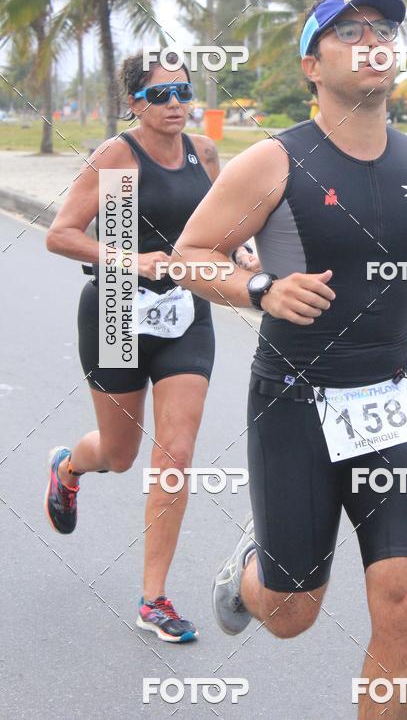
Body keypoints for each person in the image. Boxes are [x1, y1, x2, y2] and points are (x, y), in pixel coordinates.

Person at [172, 0, 407, 714]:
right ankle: (252, 572)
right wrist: (261, 289)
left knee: (404, 598)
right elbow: (191, 254)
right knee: (291, 612)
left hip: (389, 404)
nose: (372, 39)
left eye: (384, 29)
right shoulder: (274, 162)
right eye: (349, 31)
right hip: (295, 403)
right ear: (313, 64)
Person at [44, 52, 258, 643]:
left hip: (186, 312)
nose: (174, 105)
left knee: (175, 455)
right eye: (160, 96)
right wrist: (127, 258)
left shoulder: (204, 154)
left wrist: (241, 254)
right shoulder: (118, 156)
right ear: (134, 103)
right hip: (115, 308)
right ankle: (68, 466)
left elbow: (225, 224)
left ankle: (154, 598)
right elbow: (60, 236)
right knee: (119, 454)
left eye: (183, 93)